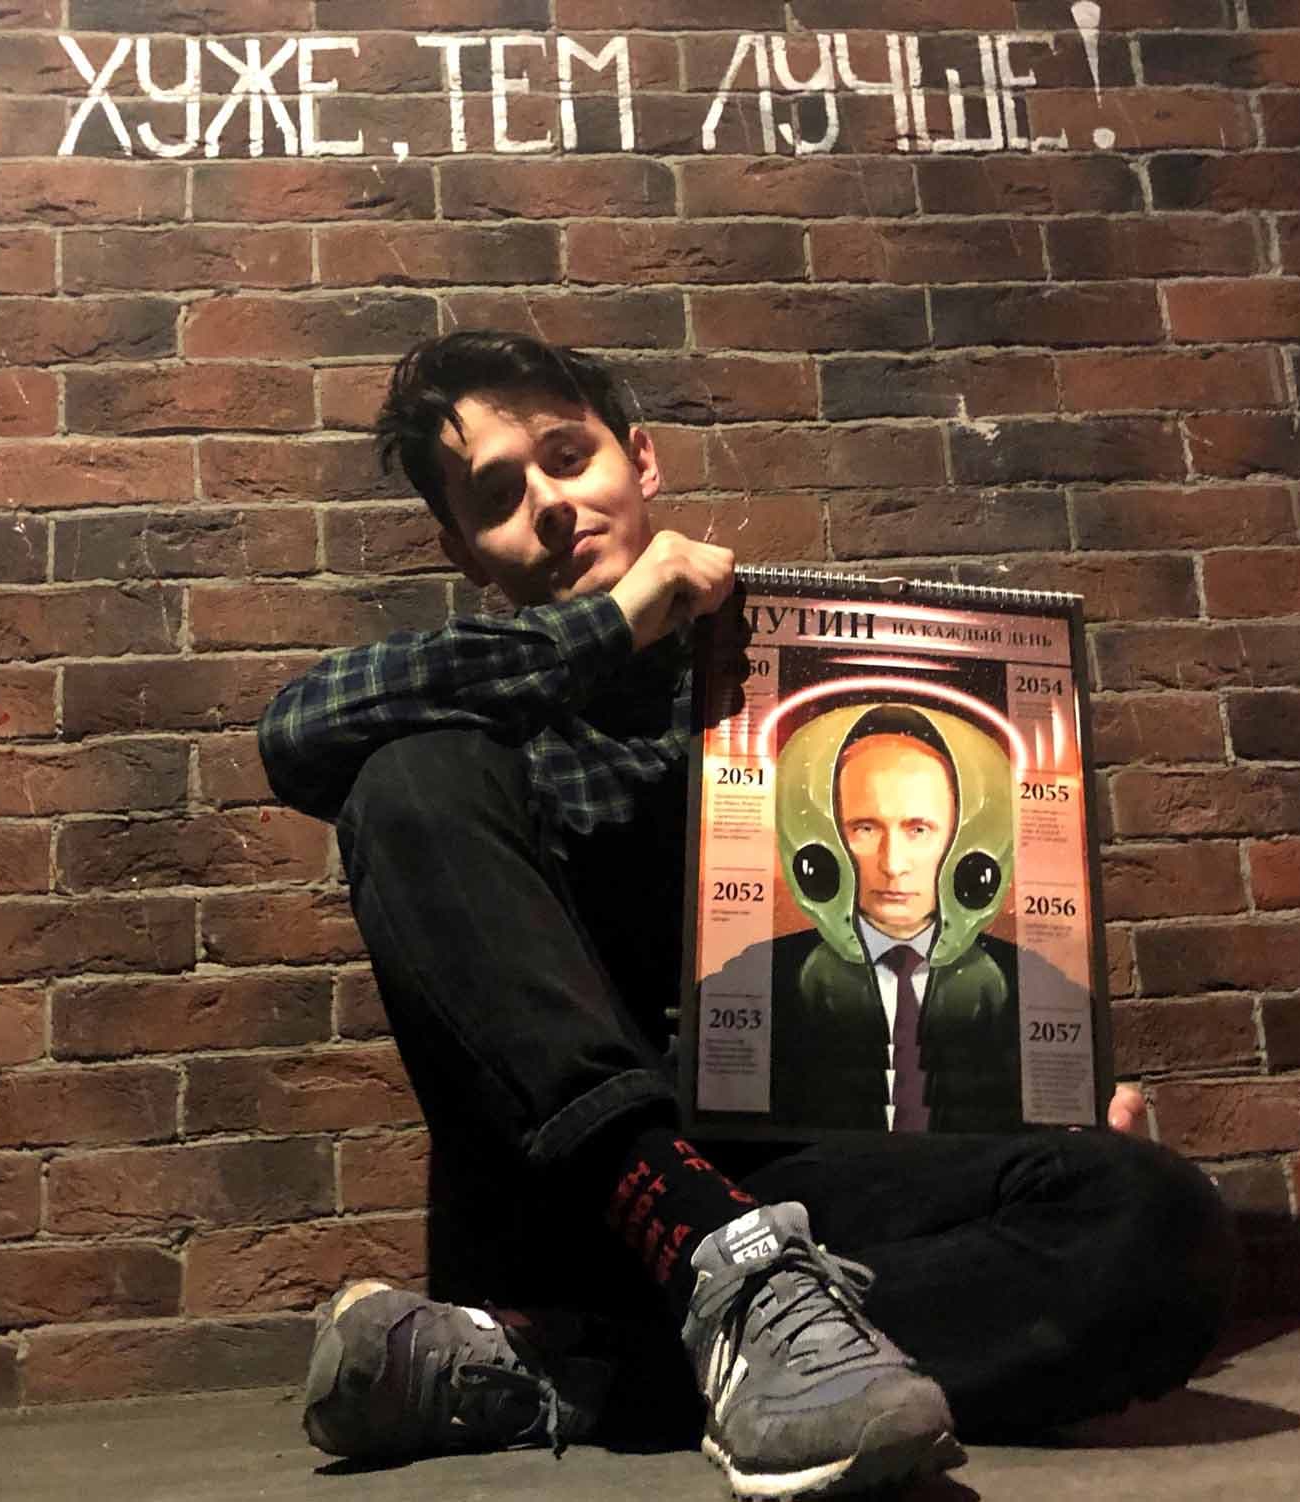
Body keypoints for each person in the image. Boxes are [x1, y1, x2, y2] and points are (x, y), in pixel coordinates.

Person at [258, 330, 1237, 1499]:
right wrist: (616, 619)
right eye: (499, 495)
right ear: (463, 547)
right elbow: (296, 728)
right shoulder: (478, 704)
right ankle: (711, 1270)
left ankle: (559, 1375)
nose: (551, 506)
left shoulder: (786, 692)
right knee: (407, 772)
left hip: (780, 1186)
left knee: (1150, 1214)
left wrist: (1035, 1109)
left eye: (568, 458)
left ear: (641, 460)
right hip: (575, 1208)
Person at [707, 702, 1030, 1133]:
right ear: (821, 845)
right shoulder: (743, 985)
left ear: (967, 842)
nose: (893, 864)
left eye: (919, 830)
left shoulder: (1036, 989)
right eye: (865, 828)